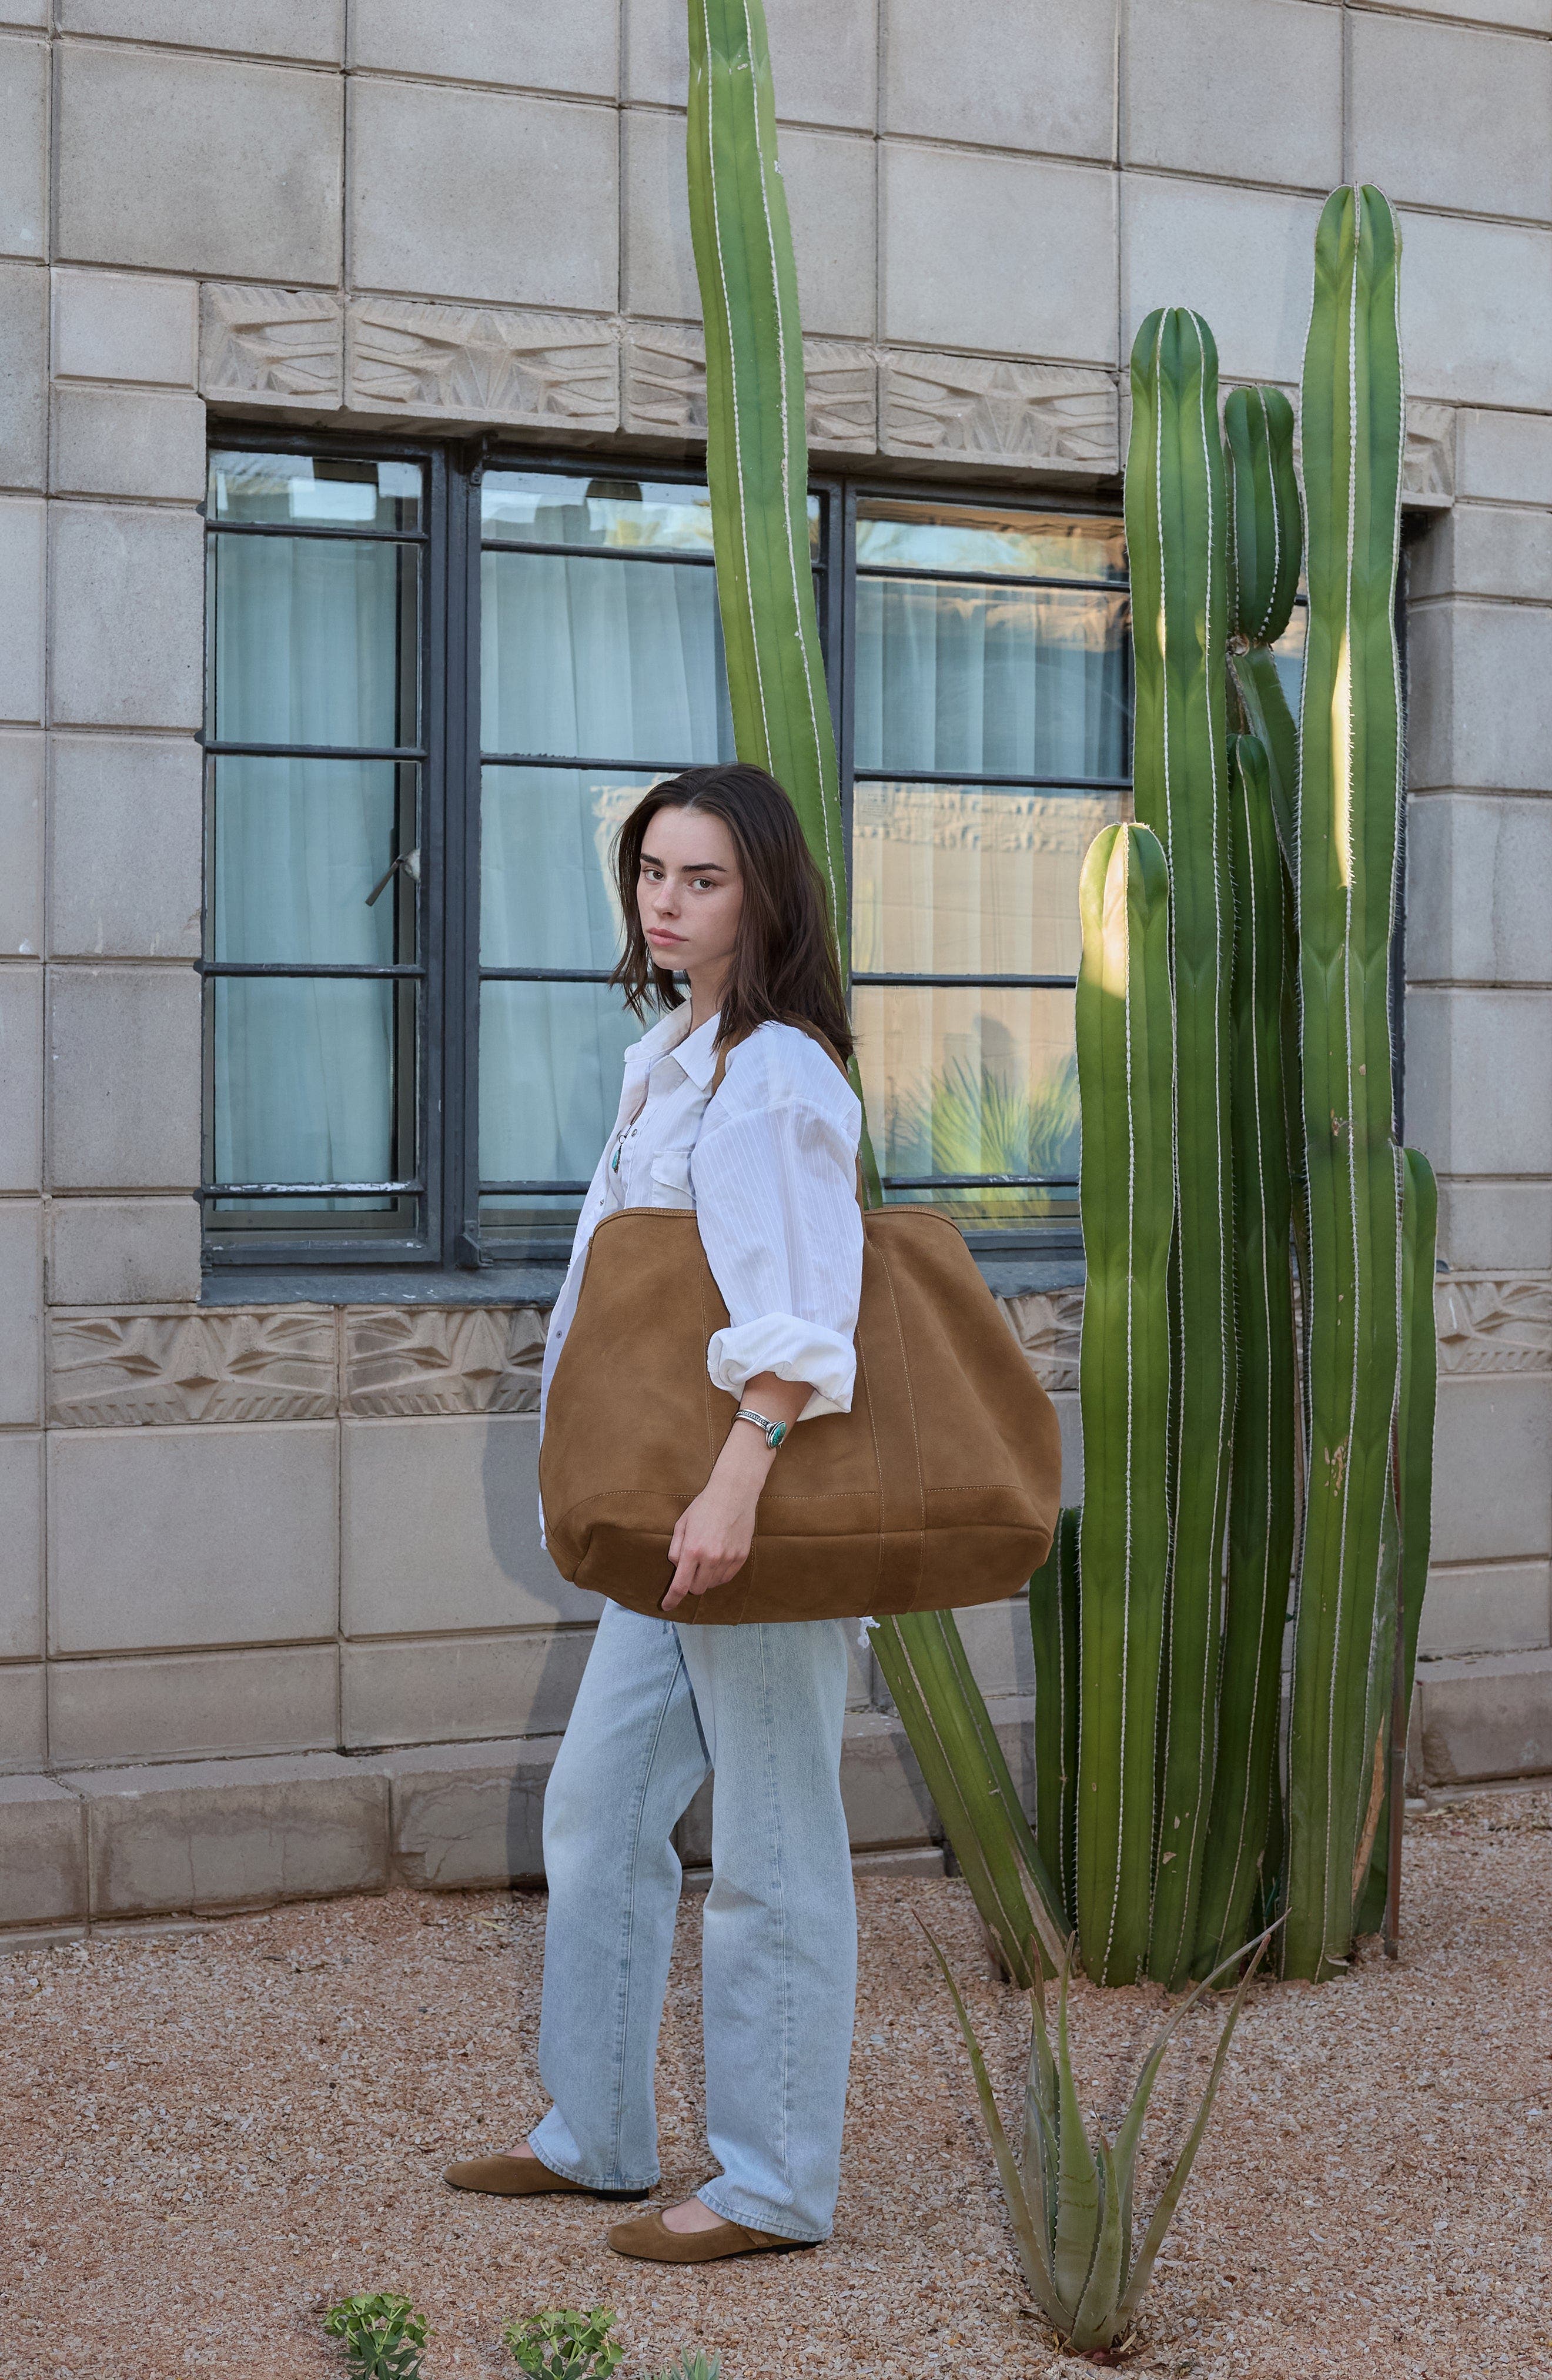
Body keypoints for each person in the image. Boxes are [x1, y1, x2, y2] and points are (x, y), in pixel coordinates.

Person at [444, 762, 866, 2264]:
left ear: (765, 895)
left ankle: (771, 2184)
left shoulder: (781, 1077)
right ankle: (600, 2133)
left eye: (703, 879)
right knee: (603, 1802)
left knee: (773, 1842)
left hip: (745, 1512)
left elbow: (808, 1316)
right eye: (653, 875)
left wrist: (739, 1482)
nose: (669, 904)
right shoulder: (671, 1058)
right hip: (671, 1510)